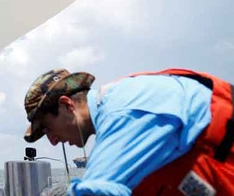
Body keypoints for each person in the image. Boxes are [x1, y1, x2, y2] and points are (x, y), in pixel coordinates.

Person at [23, 68, 234, 195]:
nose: (52, 141)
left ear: (67, 105)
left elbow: (97, 192)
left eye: (48, 128)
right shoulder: (117, 107)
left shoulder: (123, 111)